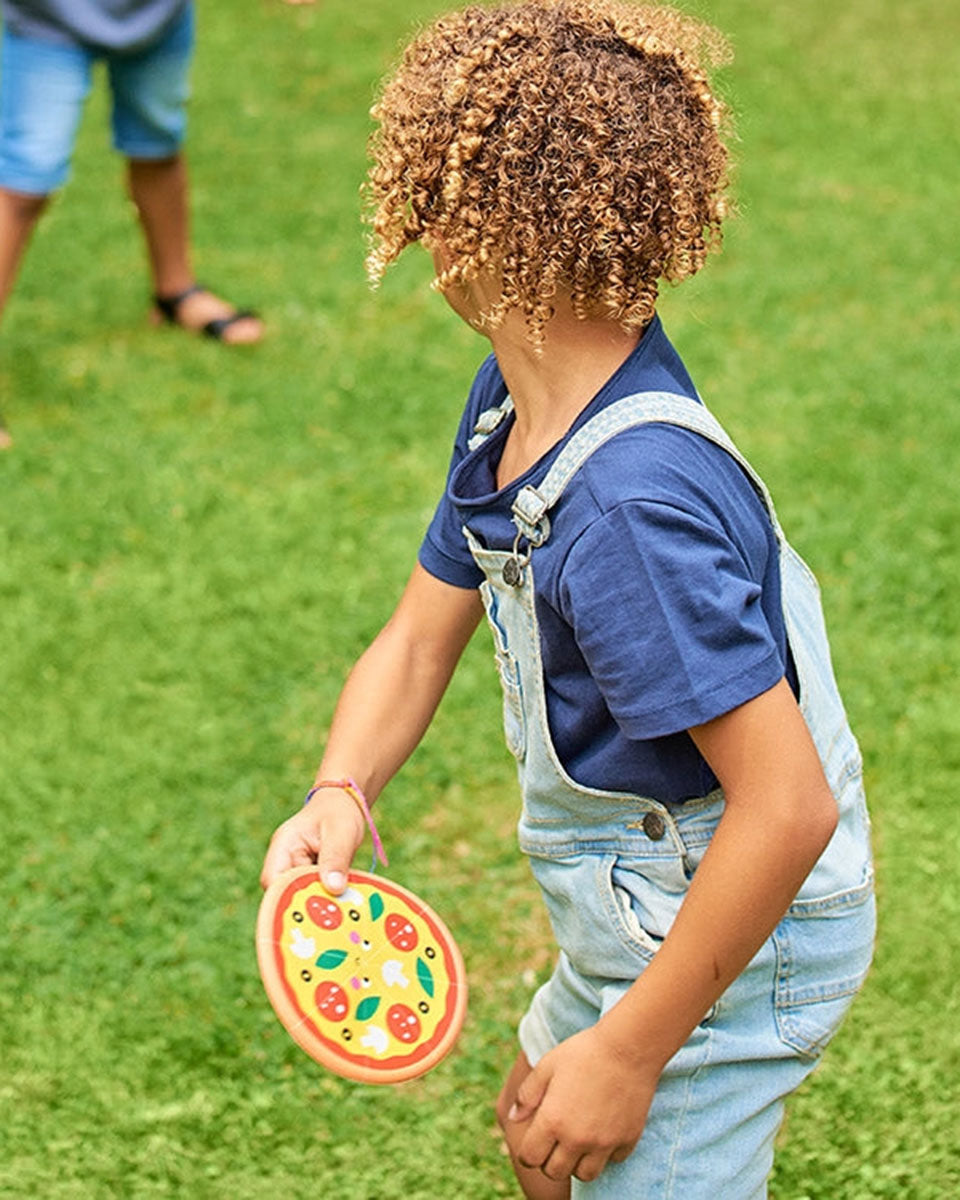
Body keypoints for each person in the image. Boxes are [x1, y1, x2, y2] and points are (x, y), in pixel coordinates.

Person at [260, 2, 875, 1195]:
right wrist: (341, 789)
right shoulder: (511, 407)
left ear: (472, 230)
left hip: (738, 928)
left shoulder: (628, 514)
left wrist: (632, 1053)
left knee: (593, 1124)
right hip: (641, 908)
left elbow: (786, 808)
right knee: (541, 1132)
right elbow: (417, 637)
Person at [0, 0, 263, 447]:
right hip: (49, 21)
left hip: (156, 17)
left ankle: (175, 293)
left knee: (157, 143)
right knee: (26, 177)